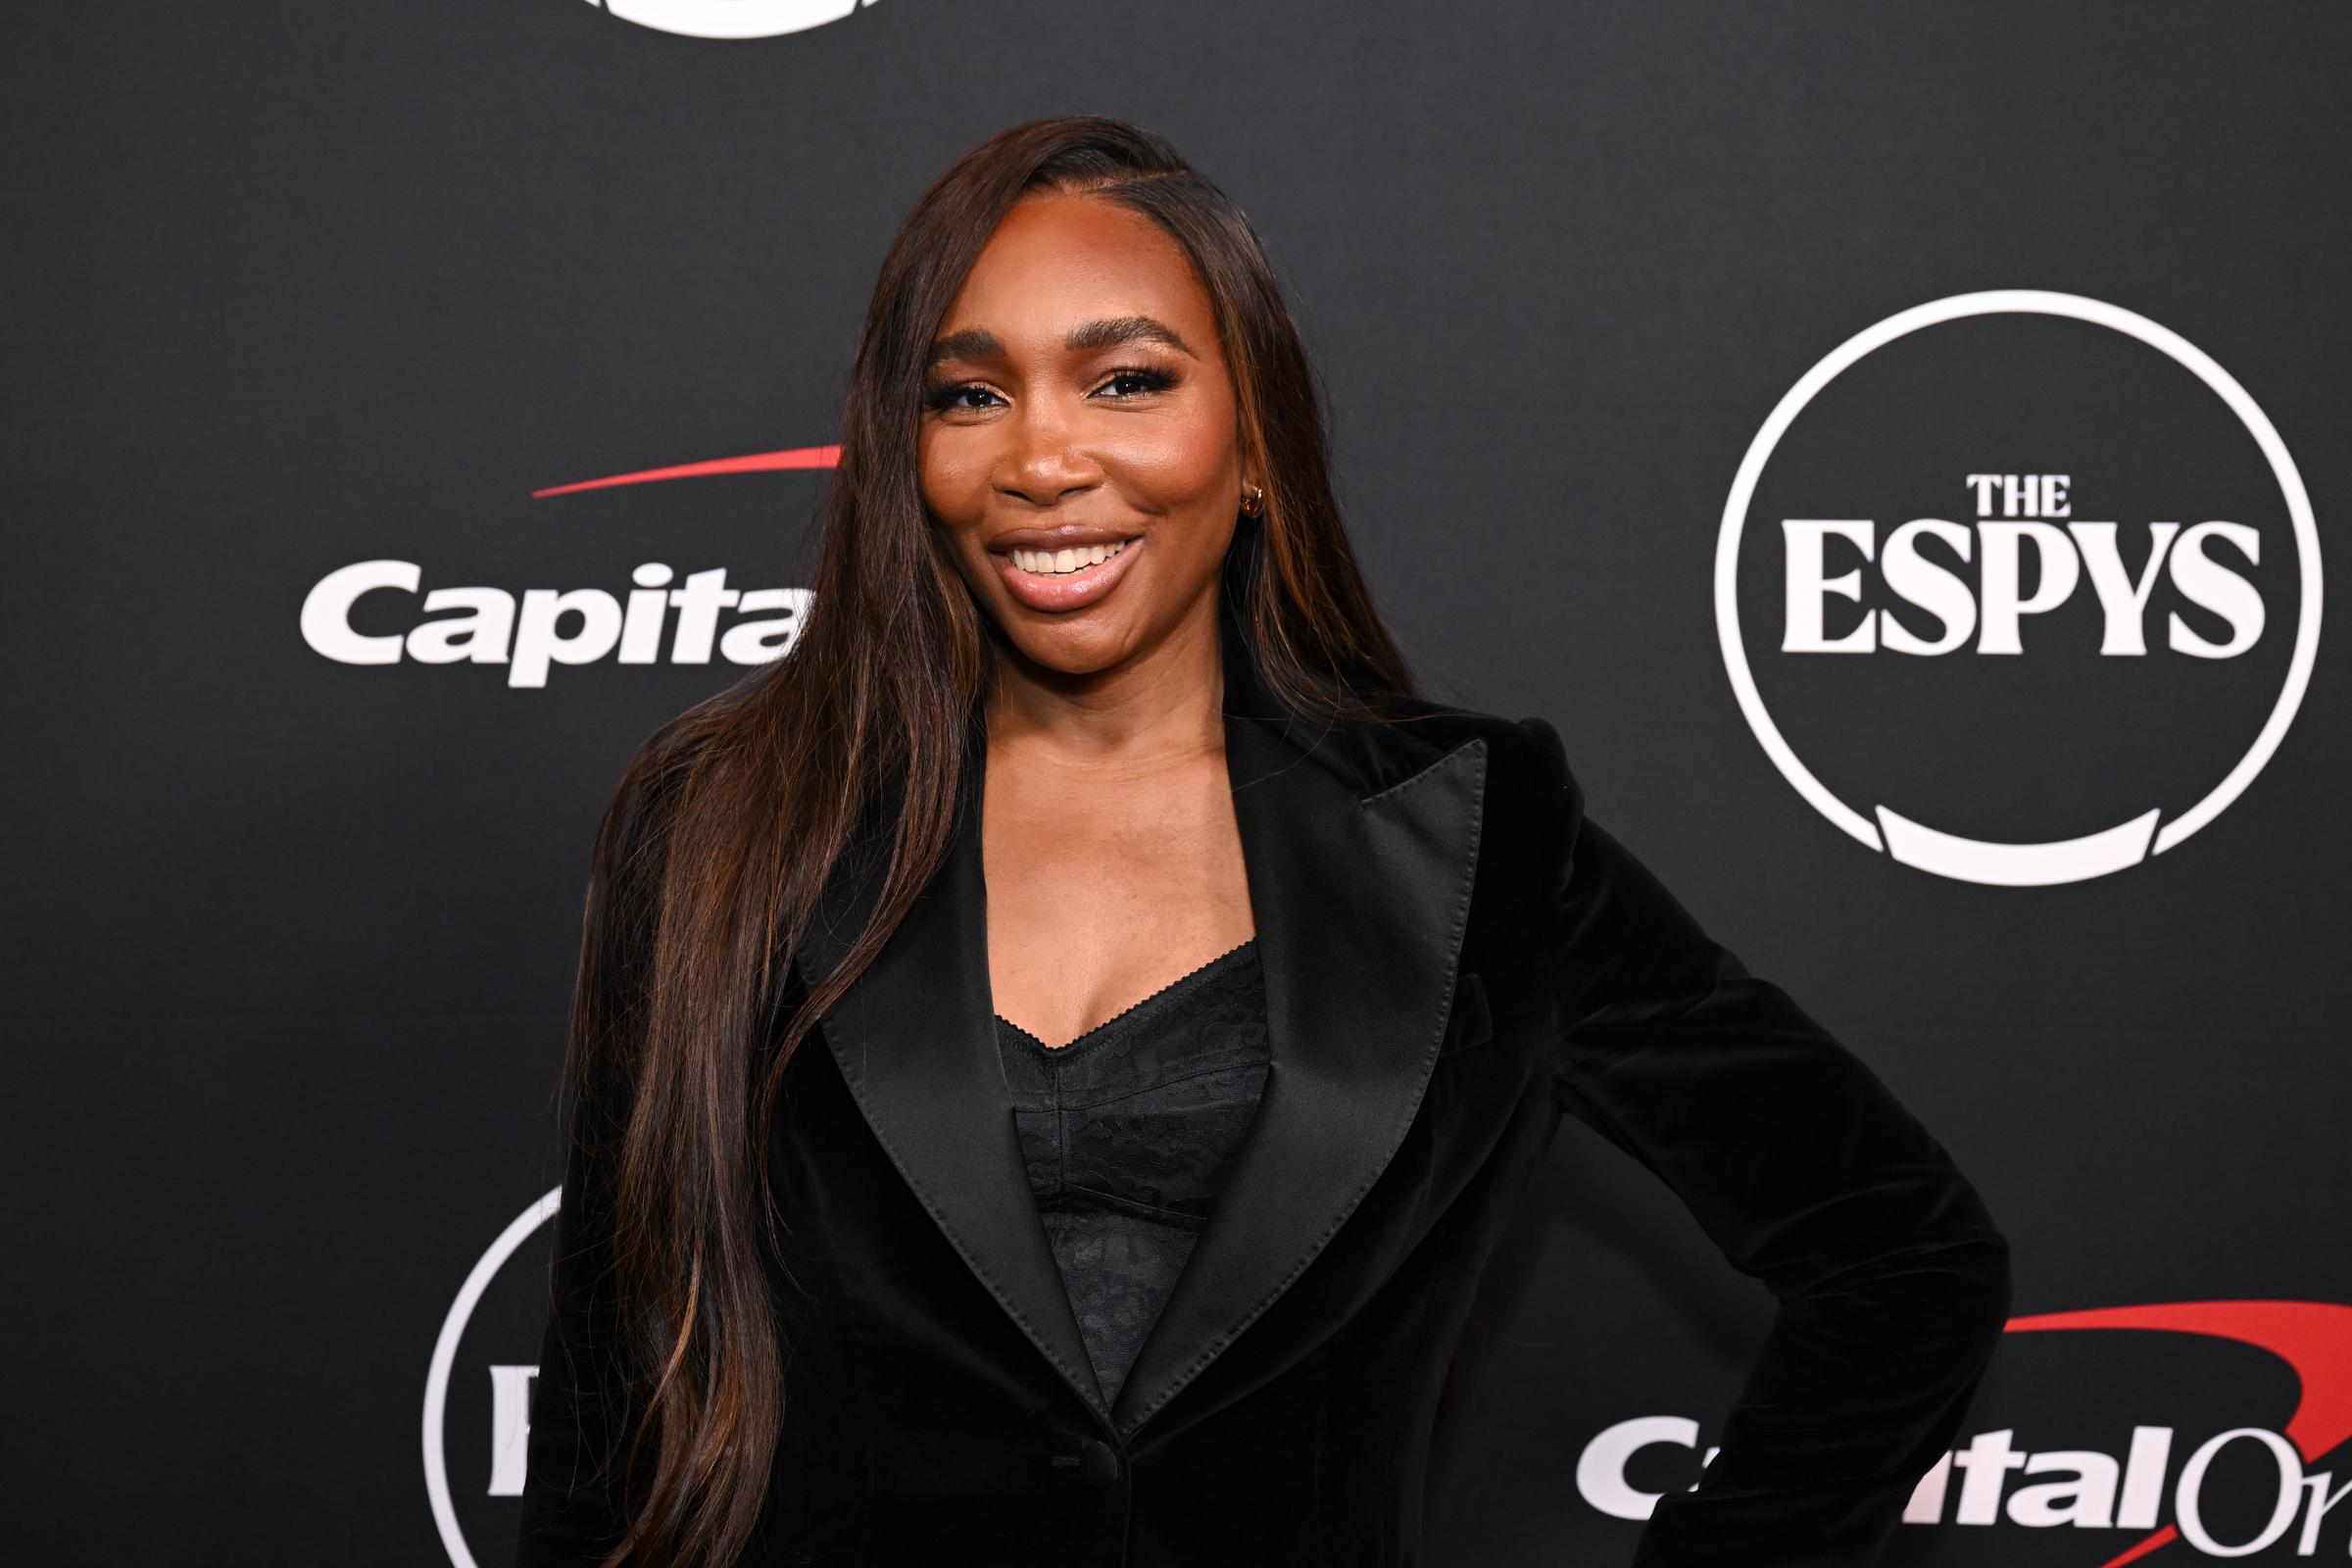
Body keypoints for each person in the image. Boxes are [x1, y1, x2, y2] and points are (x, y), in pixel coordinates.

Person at [515, 114, 2012, 1568]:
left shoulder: (1477, 835)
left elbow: (1904, 1254)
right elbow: (613, 1406)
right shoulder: (723, 827)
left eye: (1126, 381)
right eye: (968, 396)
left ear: (1254, 446)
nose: (1040, 458)